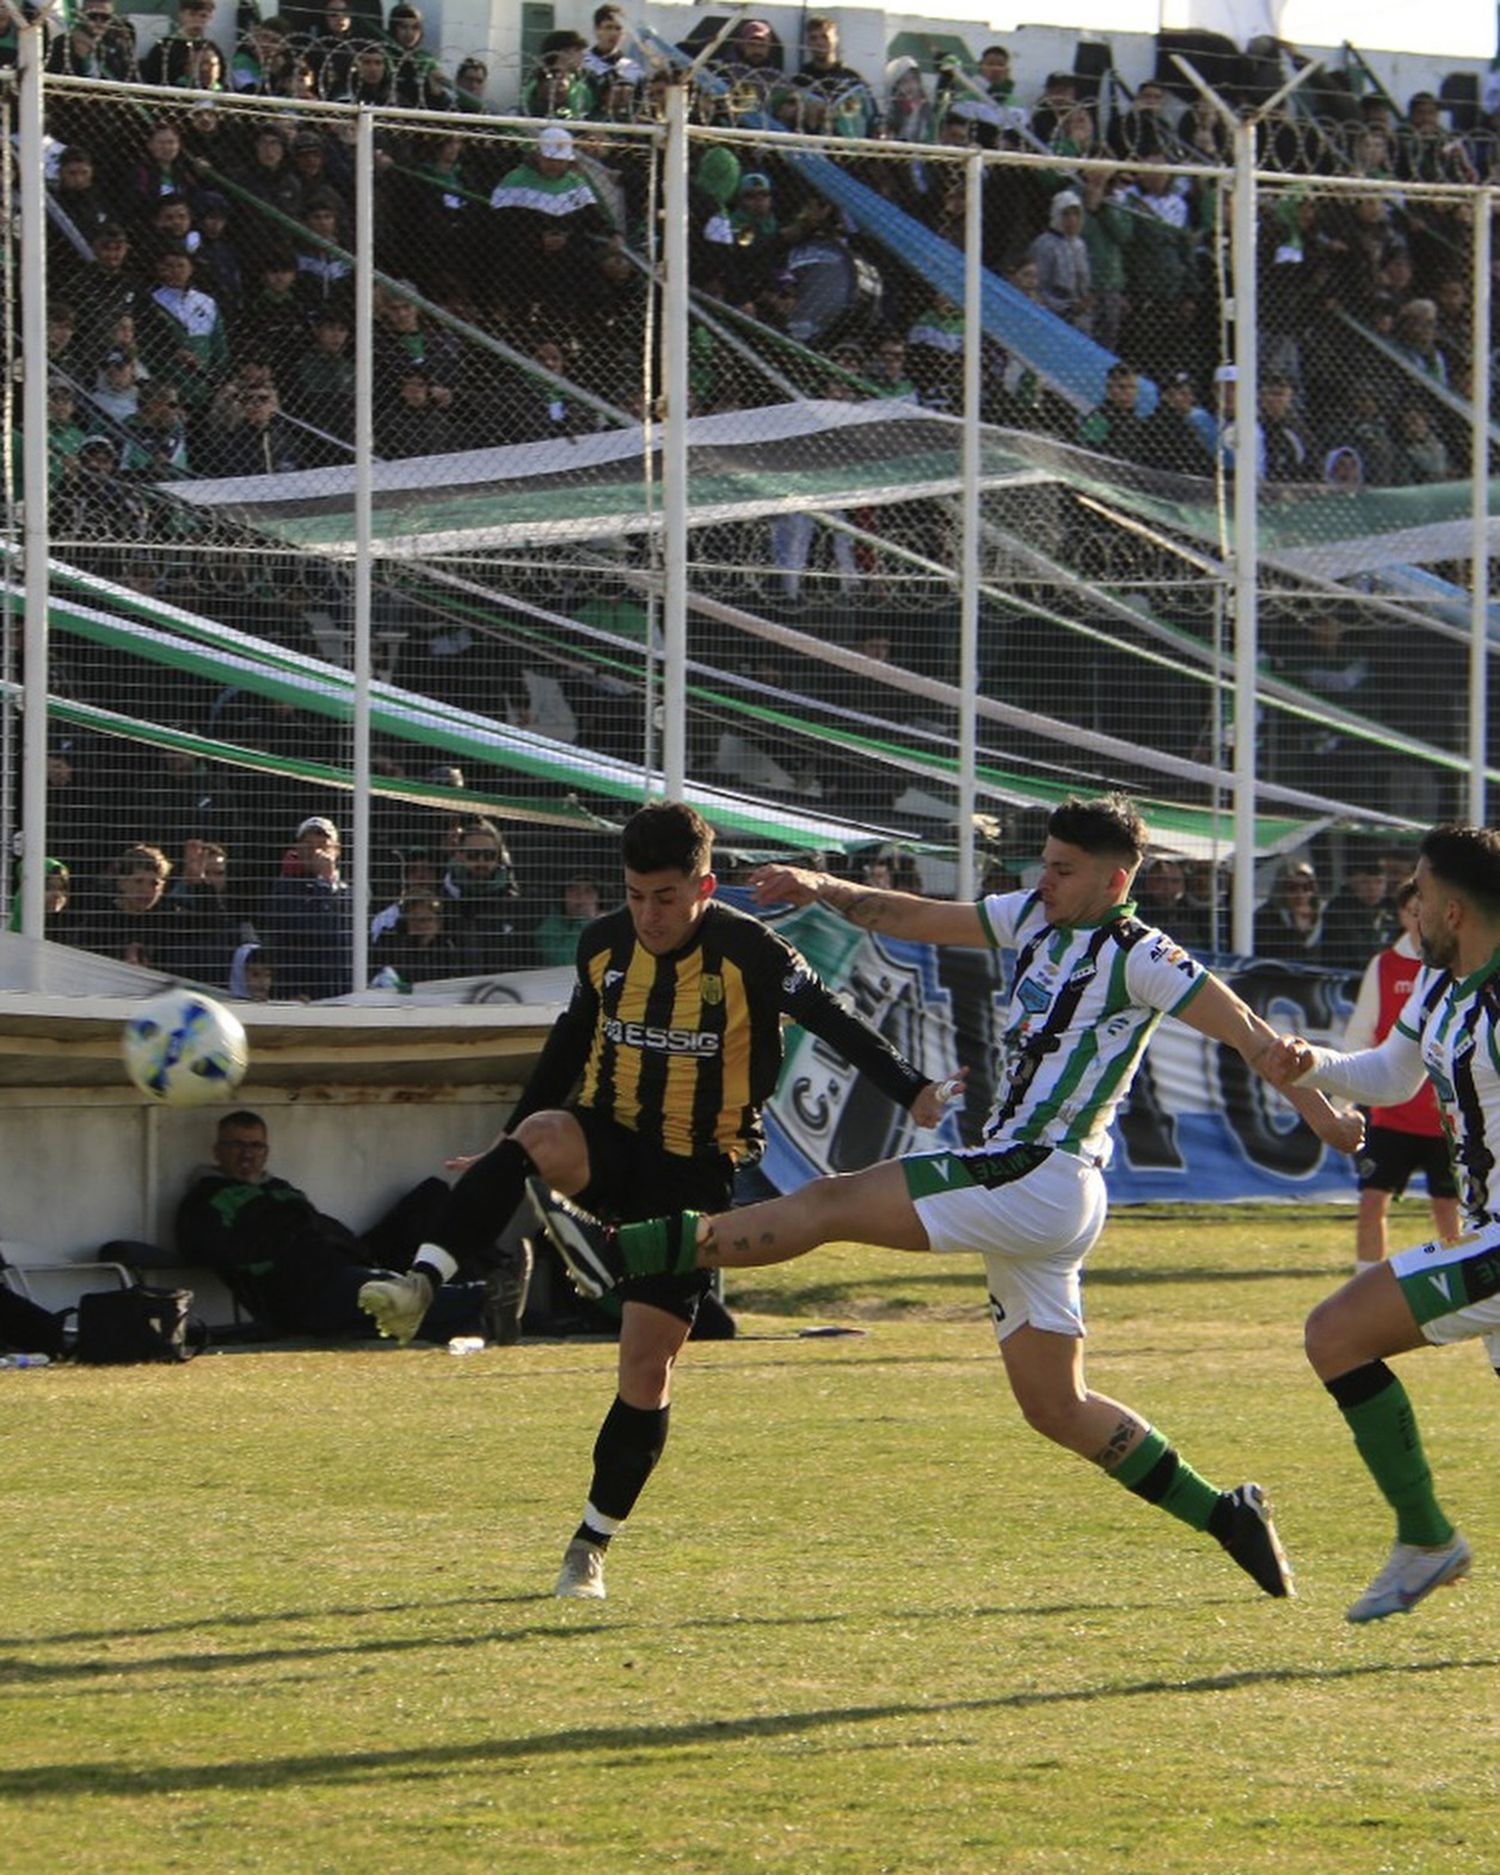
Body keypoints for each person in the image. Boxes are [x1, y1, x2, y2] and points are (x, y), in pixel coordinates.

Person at [528, 795, 1362, 1603]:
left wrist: (1323, 1111)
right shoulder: (1037, 917)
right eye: (1044, 865)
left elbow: (1252, 1033)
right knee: (1057, 1406)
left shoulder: (1140, 953)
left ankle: (625, 1248)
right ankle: (1226, 1512)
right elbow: (915, 916)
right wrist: (826, 888)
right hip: (1039, 1195)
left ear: (1115, 881)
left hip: (1037, 1173)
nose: (1045, 881)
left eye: (1065, 871)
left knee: (828, 1203)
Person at [356, 801, 954, 1601]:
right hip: (610, 1139)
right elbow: (569, 1044)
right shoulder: (603, 945)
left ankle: (590, 1544)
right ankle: (422, 1280)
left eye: (666, 897)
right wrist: (504, 1142)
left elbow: (835, 1020)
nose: (649, 914)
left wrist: (912, 1091)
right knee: (538, 1131)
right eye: (636, 895)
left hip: (696, 1174)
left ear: (705, 887)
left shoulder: (752, 952)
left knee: (646, 1366)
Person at [1262, 823, 1500, 1622]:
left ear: (1456, 909)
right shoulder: (1437, 985)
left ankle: (1427, 1536)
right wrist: (1314, 1063)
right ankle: (1427, 1537)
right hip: (1484, 1228)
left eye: (1422, 893)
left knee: (1335, 1331)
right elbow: (1395, 1073)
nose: (1412, 911)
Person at [177, 1110, 493, 1343]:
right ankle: (489, 1297)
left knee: (433, 1196)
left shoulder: (282, 1190)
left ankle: (484, 1294)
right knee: (385, 1289)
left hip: (341, 1262)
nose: (247, 1154)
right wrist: (280, 1246)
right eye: (236, 1145)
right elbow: (211, 1249)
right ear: (217, 1151)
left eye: (255, 1146)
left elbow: (318, 1228)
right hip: (301, 1289)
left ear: (266, 1152)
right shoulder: (206, 1199)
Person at [1340, 875, 1461, 1275]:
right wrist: (1342, 1100)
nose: (1420, 917)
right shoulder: (1385, 966)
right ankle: (1364, 1281)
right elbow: (1361, 1033)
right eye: (1413, 910)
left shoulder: (1457, 967)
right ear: (1404, 915)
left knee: (1448, 1207)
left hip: (1443, 1119)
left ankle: (1460, 1279)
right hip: (1391, 1116)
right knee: (1373, 1199)